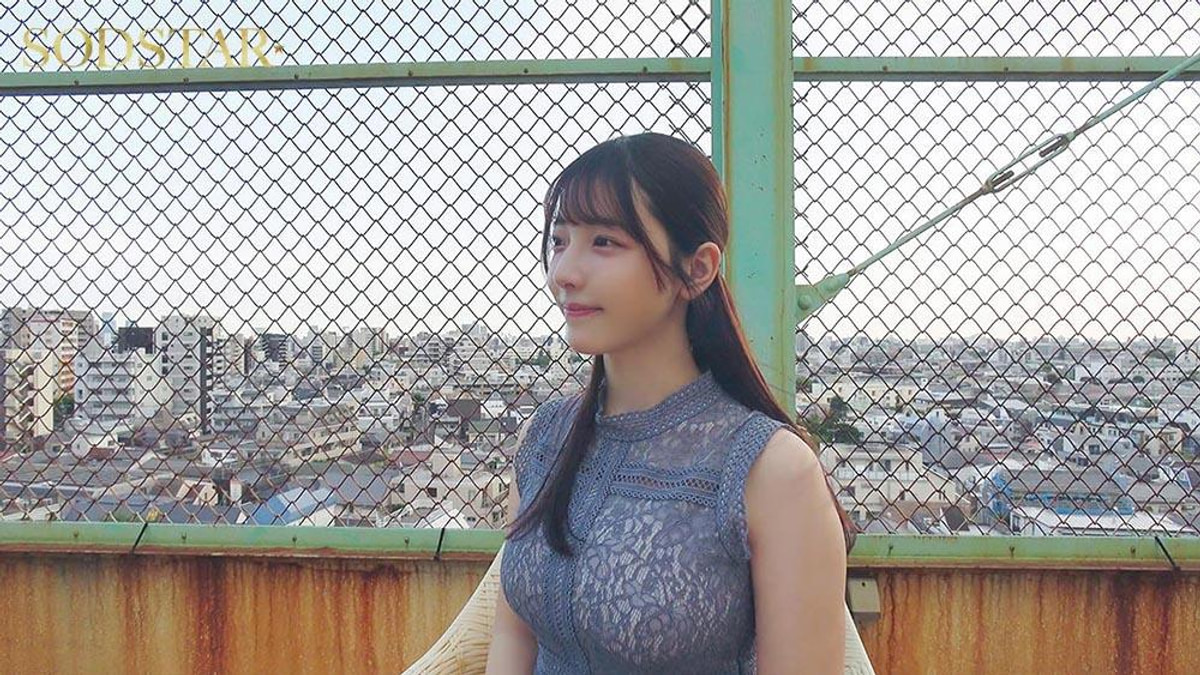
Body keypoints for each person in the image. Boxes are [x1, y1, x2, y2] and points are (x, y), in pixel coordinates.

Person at [485, 132, 857, 674]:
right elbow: (512, 637)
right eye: (560, 241)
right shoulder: (544, 439)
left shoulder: (770, 471)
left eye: (604, 242)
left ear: (697, 269)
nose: (563, 273)